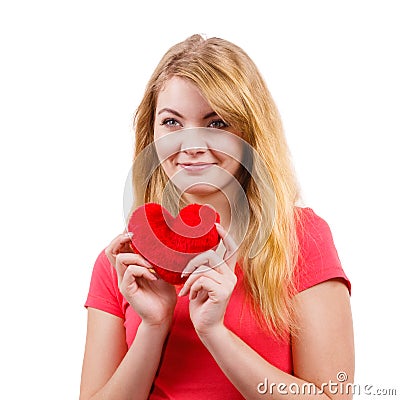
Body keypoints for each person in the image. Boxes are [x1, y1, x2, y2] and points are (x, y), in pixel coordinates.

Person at [80, 34, 354, 400]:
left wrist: (216, 334)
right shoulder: (121, 264)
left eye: (217, 123)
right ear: (152, 134)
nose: (191, 145)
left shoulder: (301, 240)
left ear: (250, 133)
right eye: (172, 123)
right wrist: (154, 325)